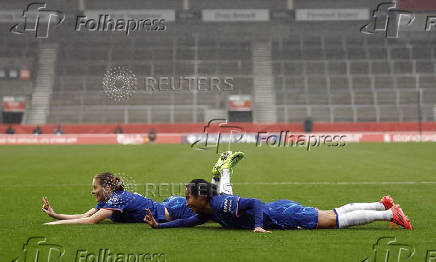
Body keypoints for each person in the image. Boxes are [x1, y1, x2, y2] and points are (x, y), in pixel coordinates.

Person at [42, 152, 245, 225]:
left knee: (225, 210)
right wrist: (56, 215)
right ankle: (218, 174)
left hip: (172, 211)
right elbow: (84, 216)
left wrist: (52, 226)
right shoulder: (109, 200)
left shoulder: (118, 199)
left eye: (95, 187)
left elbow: (91, 222)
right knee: (218, 208)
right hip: (168, 205)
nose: (92, 192)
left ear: (106, 188)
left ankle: (222, 173)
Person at [144, 178, 412, 232]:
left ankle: (389, 214)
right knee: (333, 213)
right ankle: (382, 205)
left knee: (333, 220)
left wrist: (258, 226)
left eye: (189, 197)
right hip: (282, 211)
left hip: (283, 215)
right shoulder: (206, 211)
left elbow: (255, 203)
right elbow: (187, 222)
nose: (186, 201)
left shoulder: (221, 204)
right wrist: (160, 226)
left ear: (202, 196)